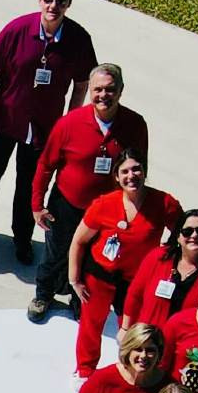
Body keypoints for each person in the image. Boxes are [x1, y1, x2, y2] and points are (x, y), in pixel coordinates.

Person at [0, 0, 96, 262]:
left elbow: (82, 84)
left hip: (44, 129)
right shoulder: (18, 30)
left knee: (29, 188)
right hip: (4, 122)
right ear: (39, 0)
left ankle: (22, 239)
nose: (53, 5)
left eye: (60, 0)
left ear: (69, 3)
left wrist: (69, 124)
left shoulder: (79, 40)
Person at [28, 63, 149, 323]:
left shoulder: (135, 125)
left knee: (93, 259)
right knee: (55, 253)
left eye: (110, 89)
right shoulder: (69, 123)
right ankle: (43, 294)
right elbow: (46, 164)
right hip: (67, 204)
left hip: (108, 210)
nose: (103, 95)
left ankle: (78, 298)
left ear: (121, 91)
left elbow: (140, 169)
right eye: (98, 90)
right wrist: (37, 204)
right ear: (90, 91)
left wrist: (134, 207)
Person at [66, 148, 180, 378]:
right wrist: (74, 279)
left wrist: (167, 260)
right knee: (91, 326)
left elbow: (182, 235)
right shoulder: (104, 204)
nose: (131, 176)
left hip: (136, 284)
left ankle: (130, 371)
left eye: (136, 169)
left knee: (134, 331)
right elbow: (78, 241)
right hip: (99, 277)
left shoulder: (163, 203)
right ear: (116, 177)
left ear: (145, 172)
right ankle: (86, 370)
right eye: (125, 171)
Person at [120, 208, 198, 336]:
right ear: (178, 236)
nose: (194, 236)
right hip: (149, 342)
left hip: (190, 344)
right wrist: (126, 329)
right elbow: (134, 295)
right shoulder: (157, 257)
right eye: (187, 231)